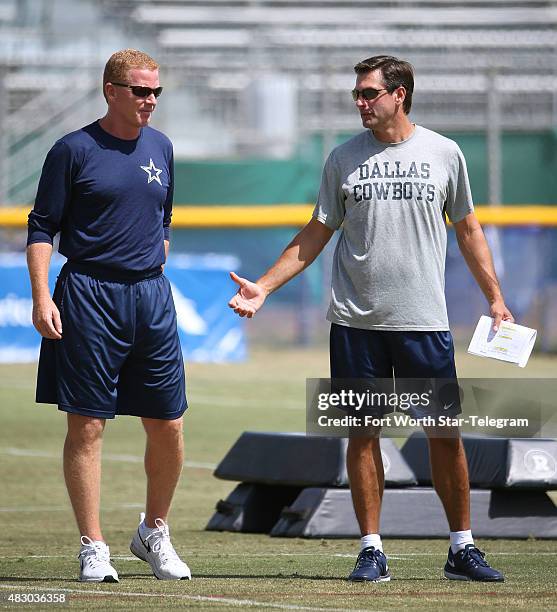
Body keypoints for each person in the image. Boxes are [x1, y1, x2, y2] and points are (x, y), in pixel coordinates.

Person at [228, 55, 513, 583]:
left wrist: (494, 298)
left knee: (444, 435)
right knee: (363, 436)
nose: (360, 102)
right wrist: (264, 286)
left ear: (398, 94)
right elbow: (315, 233)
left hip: (424, 322)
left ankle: (461, 547)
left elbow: (470, 230)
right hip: (355, 324)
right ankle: (371, 548)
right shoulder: (341, 158)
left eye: (368, 93)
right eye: (357, 94)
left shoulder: (444, 153)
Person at [26, 49, 191, 583]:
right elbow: (41, 227)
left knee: (168, 422)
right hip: (89, 294)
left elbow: (164, 221)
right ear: (110, 90)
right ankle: (93, 545)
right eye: (140, 91)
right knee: (88, 423)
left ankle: (153, 532)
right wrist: (42, 296)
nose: (149, 101)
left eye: (155, 92)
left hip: (150, 295)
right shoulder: (72, 149)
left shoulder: (163, 147)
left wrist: (152, 257)